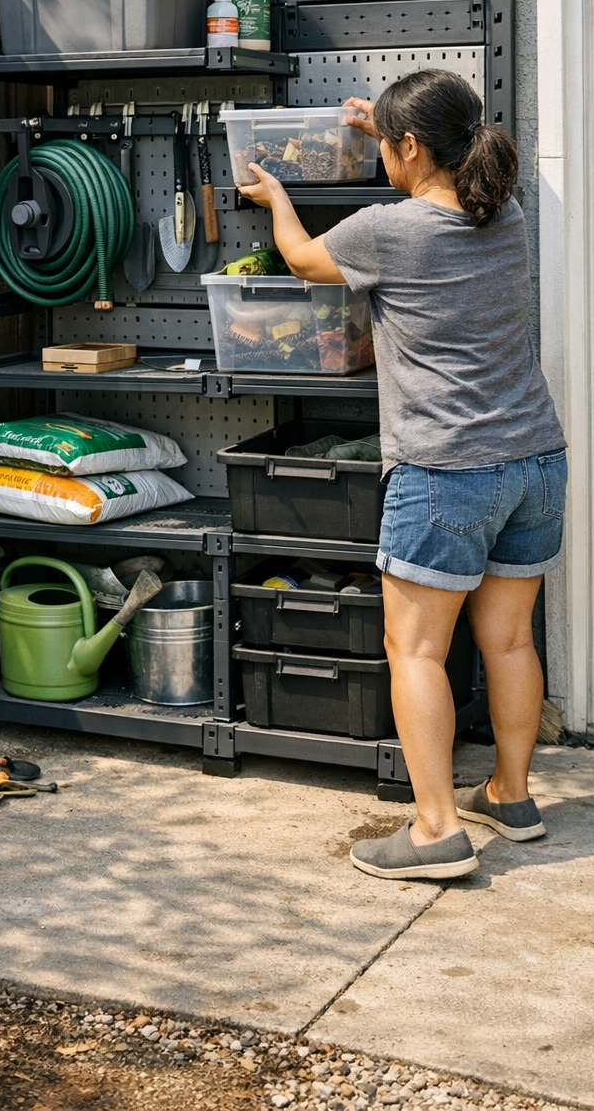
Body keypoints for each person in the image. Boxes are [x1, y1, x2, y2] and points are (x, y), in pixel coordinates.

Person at [237, 70, 566, 880]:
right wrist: (379, 124)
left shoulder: (386, 230)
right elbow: (436, 162)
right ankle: (511, 796)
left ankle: (434, 832)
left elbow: (301, 260)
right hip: (534, 459)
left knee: (414, 650)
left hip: (444, 471)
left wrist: (276, 196)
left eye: (389, 143)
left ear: (411, 147)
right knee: (510, 639)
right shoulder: (507, 213)